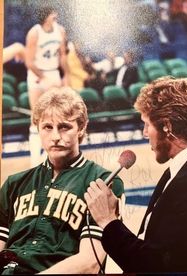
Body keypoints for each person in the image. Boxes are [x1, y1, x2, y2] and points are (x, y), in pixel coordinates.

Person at [85, 76, 187, 273]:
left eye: (147, 124)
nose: (145, 133)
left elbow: (154, 265)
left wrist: (108, 221)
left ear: (167, 127)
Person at [0, 87, 124, 274]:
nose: (56, 137)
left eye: (64, 127)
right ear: (37, 129)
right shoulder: (14, 184)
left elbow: (91, 262)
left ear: (81, 128)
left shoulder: (102, 181)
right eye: (47, 127)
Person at [25, 6, 69, 168]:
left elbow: (63, 56)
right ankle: (34, 161)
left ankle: (49, 158)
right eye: (52, 14)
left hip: (53, 73)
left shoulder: (60, 31)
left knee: (57, 116)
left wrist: (65, 78)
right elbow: (29, 61)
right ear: (46, 17)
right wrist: (43, 78)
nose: (55, 16)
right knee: (36, 117)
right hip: (37, 74)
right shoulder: (34, 33)